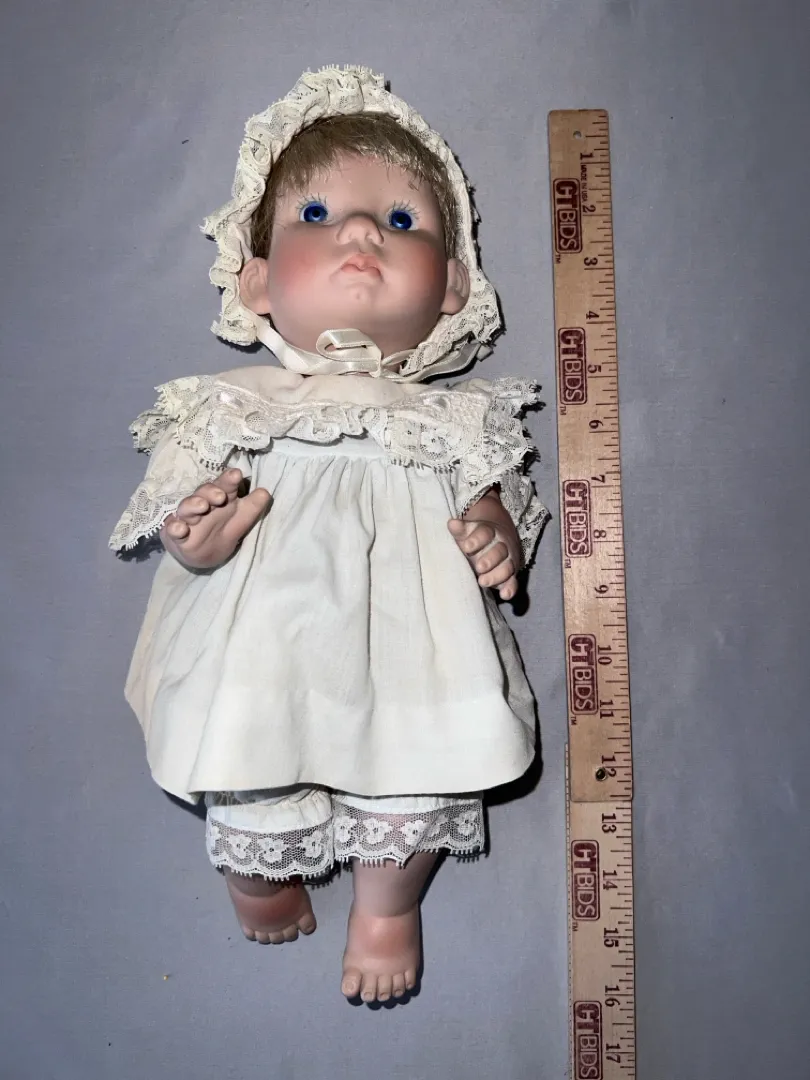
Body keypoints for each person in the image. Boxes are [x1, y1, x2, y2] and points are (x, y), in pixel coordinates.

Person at [111, 66, 547, 1003]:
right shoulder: (233, 407)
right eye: (316, 215)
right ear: (256, 279)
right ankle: (257, 877)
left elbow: (494, 501)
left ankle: (387, 905)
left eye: (401, 220)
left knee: (420, 783)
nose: (358, 233)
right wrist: (198, 537)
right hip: (267, 636)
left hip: (412, 642)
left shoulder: (456, 419)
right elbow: (183, 518)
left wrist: (495, 532)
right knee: (247, 765)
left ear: (454, 285)